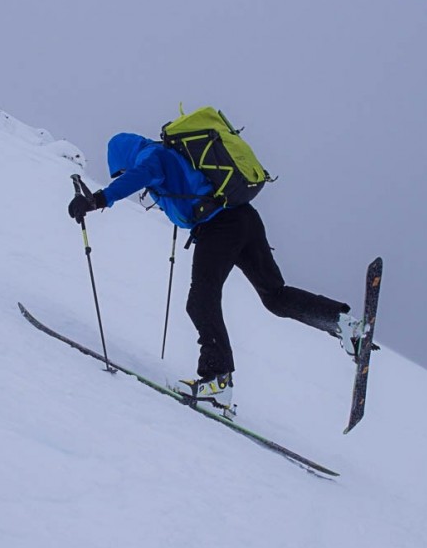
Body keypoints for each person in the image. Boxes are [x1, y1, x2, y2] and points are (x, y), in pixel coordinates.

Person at [67, 132, 365, 413]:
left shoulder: (150, 156)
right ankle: (343, 324)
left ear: (123, 157)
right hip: (244, 218)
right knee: (275, 296)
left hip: (221, 226)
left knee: (201, 301)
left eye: (119, 171)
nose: (122, 176)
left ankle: (217, 381)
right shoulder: (169, 155)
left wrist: (99, 199)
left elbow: (140, 175)